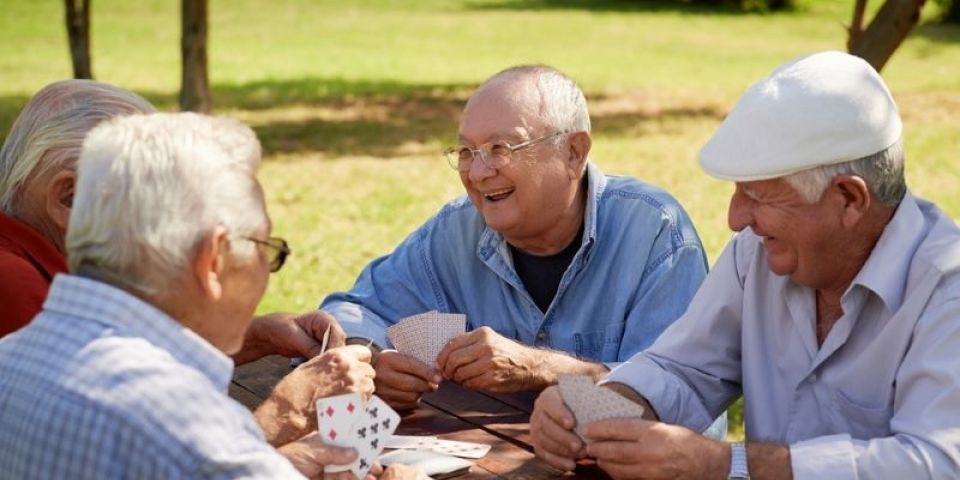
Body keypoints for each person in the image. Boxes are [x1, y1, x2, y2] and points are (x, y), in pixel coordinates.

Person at [530, 51, 960, 479]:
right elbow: (682, 369)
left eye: (758, 196)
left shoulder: (946, 287)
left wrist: (725, 465)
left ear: (849, 199)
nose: (736, 219)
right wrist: (588, 406)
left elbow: (938, 463)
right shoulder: (756, 251)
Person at [0, 112, 425, 479]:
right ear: (213, 260)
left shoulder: (11, 355)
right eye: (266, 250)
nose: (265, 274)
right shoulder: (191, 424)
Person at [318, 65, 713, 415]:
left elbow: (671, 407)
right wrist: (370, 358)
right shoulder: (457, 230)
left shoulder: (655, 235)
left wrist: (540, 370)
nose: (477, 172)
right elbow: (348, 311)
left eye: (500, 149)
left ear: (574, 153)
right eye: (467, 151)